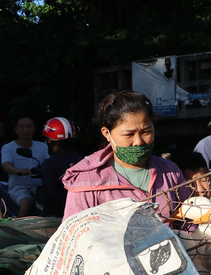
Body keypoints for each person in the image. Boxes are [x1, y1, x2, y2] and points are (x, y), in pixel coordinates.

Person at [62, 91, 190, 220]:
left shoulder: (170, 171)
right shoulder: (87, 180)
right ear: (107, 134)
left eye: (146, 132)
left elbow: (188, 223)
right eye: (129, 134)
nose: (138, 142)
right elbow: (75, 233)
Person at [1, 117, 50, 217]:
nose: (25, 130)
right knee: (26, 203)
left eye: (28, 127)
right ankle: (18, 230)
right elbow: (6, 165)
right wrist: (18, 170)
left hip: (41, 188)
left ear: (34, 129)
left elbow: (49, 163)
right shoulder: (8, 148)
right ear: (16, 130)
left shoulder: (42, 146)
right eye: (22, 127)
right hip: (19, 188)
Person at [40, 117, 83, 217]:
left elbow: (52, 196)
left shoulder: (48, 164)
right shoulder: (82, 161)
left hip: (58, 215)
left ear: (50, 141)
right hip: (81, 212)